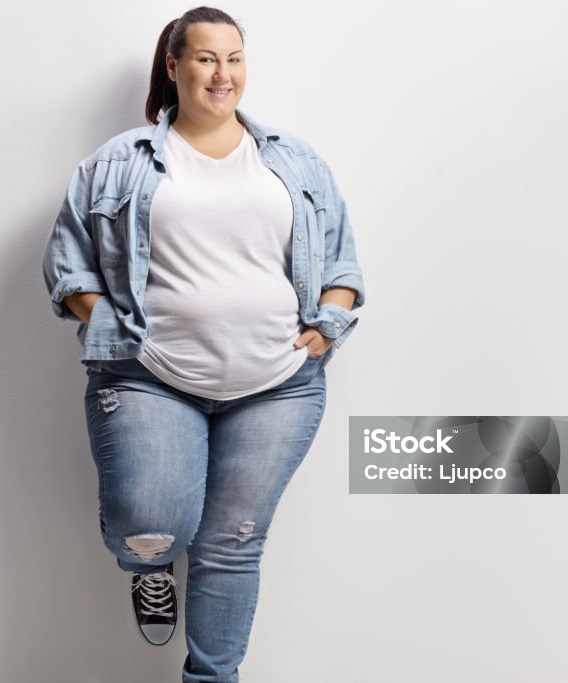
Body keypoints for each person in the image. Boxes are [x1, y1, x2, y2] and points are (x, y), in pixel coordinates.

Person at [42, 6, 365, 682]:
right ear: (174, 65)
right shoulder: (120, 161)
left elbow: (341, 265)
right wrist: (105, 317)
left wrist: (329, 322)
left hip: (278, 384)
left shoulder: (295, 160)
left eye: (234, 58)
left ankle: (212, 678)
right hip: (148, 376)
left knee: (232, 544)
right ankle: (150, 563)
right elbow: (68, 259)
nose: (223, 74)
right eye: (207, 58)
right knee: (150, 522)